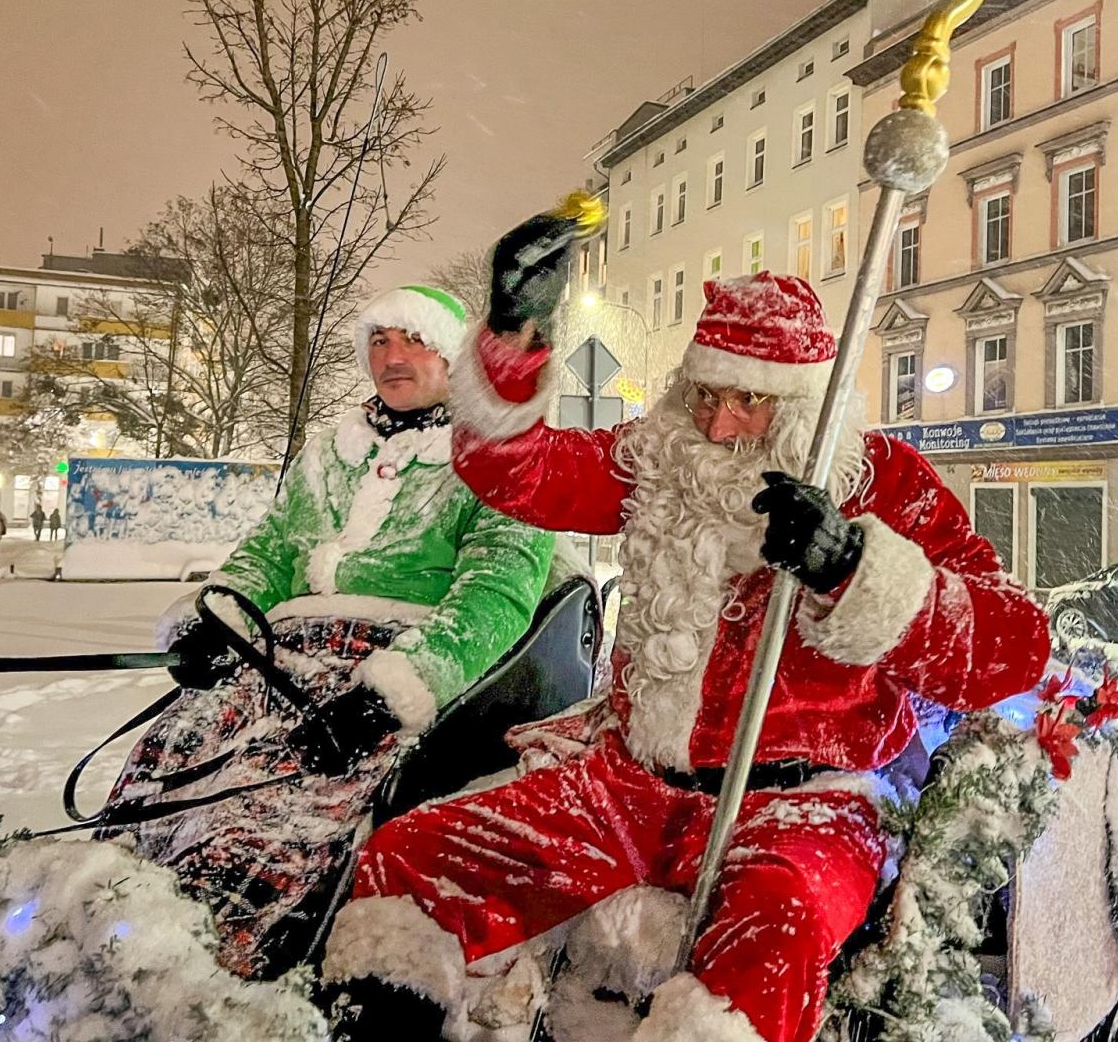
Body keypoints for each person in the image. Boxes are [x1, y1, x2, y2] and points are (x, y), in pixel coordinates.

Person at [319, 218, 1051, 1042]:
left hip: (805, 804)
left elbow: (1012, 650)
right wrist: (512, 344)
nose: (718, 425)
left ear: (805, 406)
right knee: (412, 860)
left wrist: (853, 569)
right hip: (631, 786)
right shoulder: (659, 458)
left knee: (773, 940)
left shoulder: (881, 483)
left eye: (751, 401)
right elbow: (518, 472)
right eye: (705, 394)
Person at [102, 284, 554, 979]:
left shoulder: (496, 460)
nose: (392, 357)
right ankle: (105, 918)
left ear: (454, 358)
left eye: (412, 340)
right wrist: (218, 619)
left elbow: (495, 595)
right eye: (379, 341)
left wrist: (395, 690)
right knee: (174, 761)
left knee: (274, 810)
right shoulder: (329, 451)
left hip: (384, 666)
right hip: (281, 656)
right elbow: (272, 551)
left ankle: (214, 969)